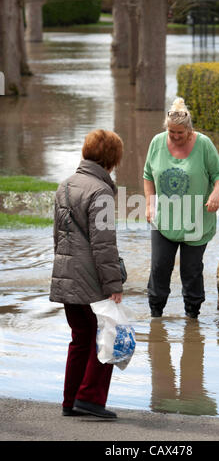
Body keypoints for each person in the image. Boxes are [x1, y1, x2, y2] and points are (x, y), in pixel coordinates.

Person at [49, 129, 124, 419]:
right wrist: (113, 284)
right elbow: (104, 243)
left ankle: (71, 401)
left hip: (66, 272)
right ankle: (90, 398)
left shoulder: (65, 185)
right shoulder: (101, 191)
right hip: (91, 277)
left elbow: (57, 236)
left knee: (80, 336)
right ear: (112, 159)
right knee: (107, 334)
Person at [143, 97, 219, 319]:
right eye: (172, 133)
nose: (176, 137)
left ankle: (192, 318)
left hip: (196, 219)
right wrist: (150, 205)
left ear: (189, 129)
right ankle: (156, 316)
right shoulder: (157, 143)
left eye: (181, 133)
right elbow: (148, 175)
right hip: (165, 220)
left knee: (191, 271)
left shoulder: (204, 144)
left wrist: (216, 193)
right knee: (160, 268)